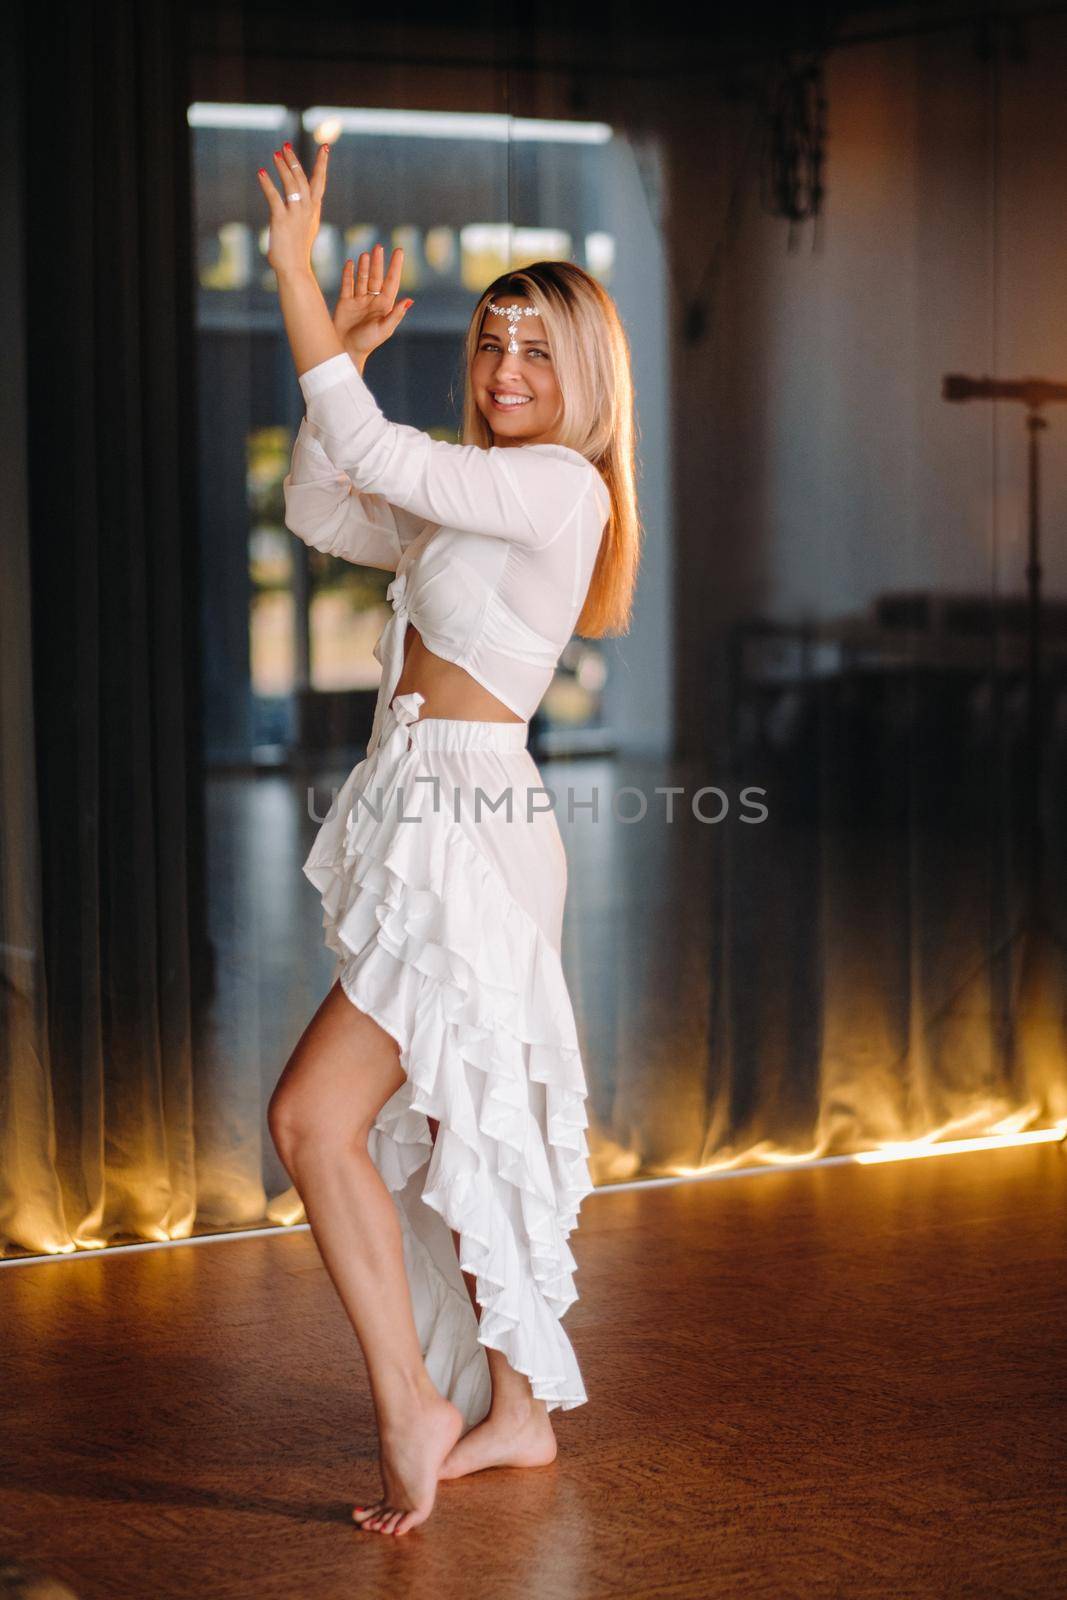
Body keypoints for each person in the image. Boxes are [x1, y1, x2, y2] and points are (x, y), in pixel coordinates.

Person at [256, 140, 640, 1537]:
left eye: (534, 353)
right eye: (490, 348)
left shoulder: (562, 491)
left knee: (317, 1117)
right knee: (442, 1112)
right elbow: (325, 499)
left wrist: (297, 280)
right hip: (426, 815)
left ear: (585, 375)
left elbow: (367, 445)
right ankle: (517, 1414)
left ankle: (420, 1404)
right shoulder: (474, 489)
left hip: (472, 825)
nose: (503, 376)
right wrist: (345, 341)